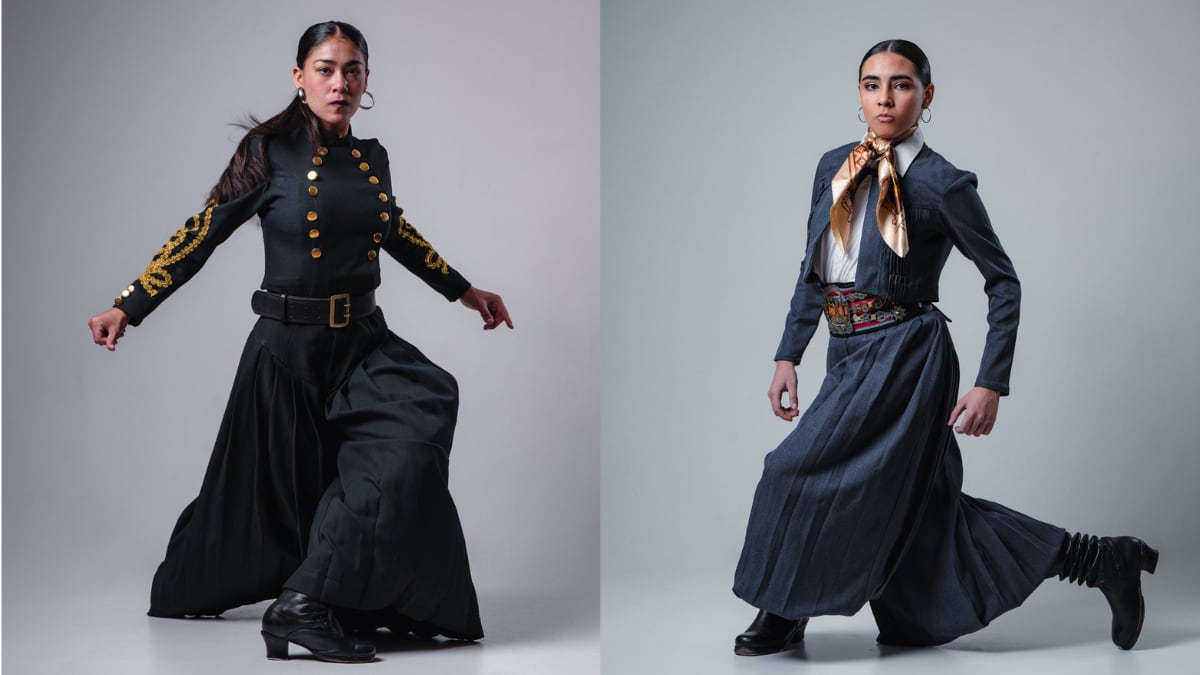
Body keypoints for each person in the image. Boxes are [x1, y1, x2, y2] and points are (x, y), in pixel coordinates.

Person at [87, 20, 512, 664]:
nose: (339, 83)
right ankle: (304, 600)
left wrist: (462, 289)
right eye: (325, 68)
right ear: (299, 76)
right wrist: (130, 304)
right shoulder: (268, 150)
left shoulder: (373, 158)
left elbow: (393, 230)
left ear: (367, 80)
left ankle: (311, 601)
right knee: (267, 499)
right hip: (287, 350)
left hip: (363, 342)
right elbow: (203, 229)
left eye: (352, 70)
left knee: (411, 429)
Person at [732, 39, 1157, 655]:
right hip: (846, 350)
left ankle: (783, 608)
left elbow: (1002, 280)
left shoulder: (942, 183)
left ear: (926, 97)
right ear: (858, 94)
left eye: (901, 84)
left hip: (906, 355)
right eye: (872, 84)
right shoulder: (833, 166)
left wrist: (990, 382)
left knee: (793, 471)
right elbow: (814, 270)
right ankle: (1104, 561)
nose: (885, 97)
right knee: (922, 514)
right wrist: (787, 354)